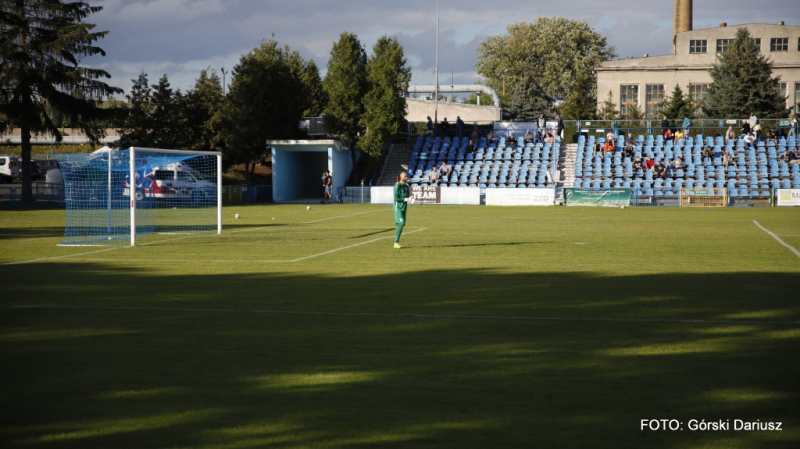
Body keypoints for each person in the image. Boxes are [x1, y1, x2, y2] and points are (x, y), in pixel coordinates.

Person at [393, 172, 413, 249]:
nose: (406, 178)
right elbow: (396, 198)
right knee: (401, 223)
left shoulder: (406, 186)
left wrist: (410, 199)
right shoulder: (397, 186)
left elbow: (407, 196)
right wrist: (405, 199)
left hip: (404, 207)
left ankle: (396, 242)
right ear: (401, 177)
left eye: (407, 177)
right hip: (398, 207)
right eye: (405, 176)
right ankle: (396, 242)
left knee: (402, 224)